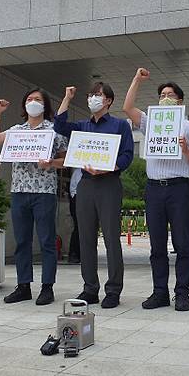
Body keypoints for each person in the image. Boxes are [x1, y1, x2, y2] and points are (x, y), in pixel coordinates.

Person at [123, 68, 189, 311]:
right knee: (157, 245)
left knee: (182, 243)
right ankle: (159, 292)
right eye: (161, 95)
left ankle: (182, 293)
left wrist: (186, 151)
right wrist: (137, 80)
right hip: (154, 189)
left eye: (169, 94)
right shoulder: (151, 122)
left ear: (180, 100)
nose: (165, 98)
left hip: (178, 187)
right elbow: (128, 108)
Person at [54, 82, 134, 309]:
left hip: (109, 183)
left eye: (97, 95)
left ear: (108, 100)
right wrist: (68, 98)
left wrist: (110, 167)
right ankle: (90, 288)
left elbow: (127, 155)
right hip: (86, 184)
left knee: (111, 239)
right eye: (90, 95)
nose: (92, 99)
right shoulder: (82, 126)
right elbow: (59, 125)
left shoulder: (120, 125)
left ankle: (113, 290)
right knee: (86, 238)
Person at [0, 88, 67, 306]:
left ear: (46, 105)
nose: (33, 103)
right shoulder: (17, 130)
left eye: (38, 100)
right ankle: (23, 286)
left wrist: (51, 163)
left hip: (44, 191)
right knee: (22, 240)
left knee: (46, 241)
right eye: (30, 100)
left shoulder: (54, 130)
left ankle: (47, 287)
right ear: (24, 105)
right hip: (20, 190)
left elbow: (68, 158)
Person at [68, 168, 82, 264]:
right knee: (78, 228)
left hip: (87, 200)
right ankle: (73, 254)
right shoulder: (78, 171)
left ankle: (83, 254)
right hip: (78, 200)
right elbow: (73, 191)